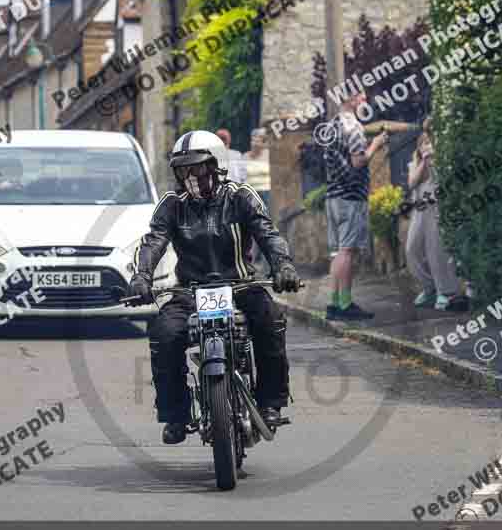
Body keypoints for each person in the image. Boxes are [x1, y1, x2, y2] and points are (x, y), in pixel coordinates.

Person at [128, 130, 300, 445]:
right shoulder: (171, 205)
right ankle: (175, 415)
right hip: (189, 292)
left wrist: (283, 266)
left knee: (271, 319)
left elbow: (268, 234)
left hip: (241, 285)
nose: (191, 176)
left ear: (217, 165)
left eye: (198, 168)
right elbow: (153, 241)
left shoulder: (241, 196)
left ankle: (271, 402)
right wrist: (142, 276)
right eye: (183, 170)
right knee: (164, 333)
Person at [324, 93, 388, 320]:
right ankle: (345, 304)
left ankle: (334, 304)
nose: (365, 102)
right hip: (350, 198)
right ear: (351, 100)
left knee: (339, 252)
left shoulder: (331, 126)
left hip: (333, 196)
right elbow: (358, 160)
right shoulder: (354, 127)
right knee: (347, 251)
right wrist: (376, 145)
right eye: (361, 98)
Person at [405, 119, 461, 310]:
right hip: (419, 211)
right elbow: (412, 183)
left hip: (437, 209)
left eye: (428, 143)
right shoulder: (413, 165)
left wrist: (433, 162)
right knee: (412, 249)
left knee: (436, 251)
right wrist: (424, 162)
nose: (425, 146)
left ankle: (445, 291)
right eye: (422, 144)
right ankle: (429, 287)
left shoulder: (441, 160)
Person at [244, 128, 271, 213]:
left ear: (263, 143)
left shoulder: (268, 155)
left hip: (266, 191)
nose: (254, 144)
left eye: (257, 141)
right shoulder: (245, 156)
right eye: (253, 141)